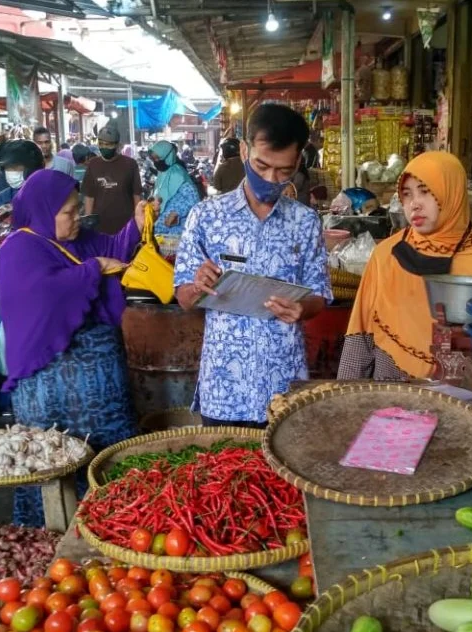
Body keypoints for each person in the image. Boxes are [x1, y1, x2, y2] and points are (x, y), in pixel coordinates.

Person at [0, 170, 142, 526]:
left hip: (100, 387)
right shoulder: (19, 247)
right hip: (49, 387)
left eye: (78, 209)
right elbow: (41, 295)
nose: (77, 218)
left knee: (108, 459)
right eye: (69, 212)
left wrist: (136, 224)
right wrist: (92, 271)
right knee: (54, 462)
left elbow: (112, 250)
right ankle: (50, 534)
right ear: (45, 211)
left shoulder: (79, 239)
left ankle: (120, 531)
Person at [174, 103, 332, 427]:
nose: (270, 179)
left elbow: (319, 295)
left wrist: (303, 308)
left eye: (284, 171)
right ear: (244, 150)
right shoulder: (206, 217)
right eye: (261, 166)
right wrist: (197, 286)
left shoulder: (305, 222)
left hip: (284, 385)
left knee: (282, 475)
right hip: (223, 386)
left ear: (299, 161)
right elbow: (184, 298)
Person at [337, 151, 472, 381]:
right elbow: (361, 332)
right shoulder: (387, 254)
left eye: (425, 192)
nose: (414, 205)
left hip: (464, 392)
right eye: (407, 195)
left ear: (452, 193)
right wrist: (346, 395)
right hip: (392, 389)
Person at [81, 121, 142, 235]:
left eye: (109, 144)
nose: (104, 147)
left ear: (117, 145)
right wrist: (88, 221)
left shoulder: (130, 164)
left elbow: (136, 195)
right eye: (101, 143)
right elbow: (89, 196)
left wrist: (138, 220)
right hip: (100, 226)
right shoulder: (93, 164)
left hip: (125, 225)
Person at [150, 140, 201, 237]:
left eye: (158, 158)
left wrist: (176, 212)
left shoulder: (178, 173)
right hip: (161, 231)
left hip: (176, 232)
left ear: (167, 156)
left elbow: (194, 199)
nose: (156, 162)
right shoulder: (162, 173)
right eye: (153, 159)